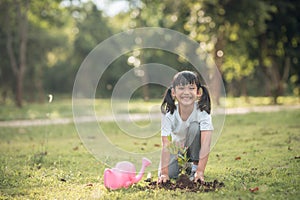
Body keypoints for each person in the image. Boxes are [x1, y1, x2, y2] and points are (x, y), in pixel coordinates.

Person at [158, 70, 213, 183]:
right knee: (171, 174)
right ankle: (186, 167)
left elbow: (206, 143)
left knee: (194, 127)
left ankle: (194, 167)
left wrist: (200, 171)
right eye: (181, 88)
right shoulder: (169, 115)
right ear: (173, 92)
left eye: (191, 88)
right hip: (177, 150)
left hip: (194, 151)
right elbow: (166, 145)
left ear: (198, 92)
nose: (186, 92)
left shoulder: (203, 112)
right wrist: (164, 173)